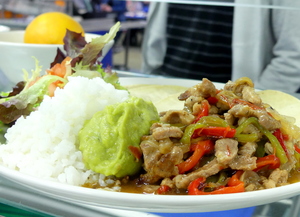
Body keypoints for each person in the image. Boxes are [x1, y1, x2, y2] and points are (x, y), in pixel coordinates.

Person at [142, 0, 300, 93]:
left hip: (230, 111)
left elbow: (292, 55)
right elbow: (153, 42)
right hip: (166, 91)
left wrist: (251, 106)